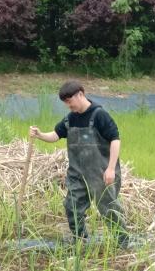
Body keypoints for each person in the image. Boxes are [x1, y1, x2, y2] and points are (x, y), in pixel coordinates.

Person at [30, 80, 128, 246]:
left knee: (109, 209)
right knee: (72, 206)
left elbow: (115, 139)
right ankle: (80, 239)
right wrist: (40, 134)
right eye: (65, 103)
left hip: (101, 174)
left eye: (70, 101)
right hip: (77, 174)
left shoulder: (99, 115)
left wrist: (111, 168)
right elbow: (55, 135)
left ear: (80, 94)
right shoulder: (71, 119)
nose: (68, 106)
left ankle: (122, 241)